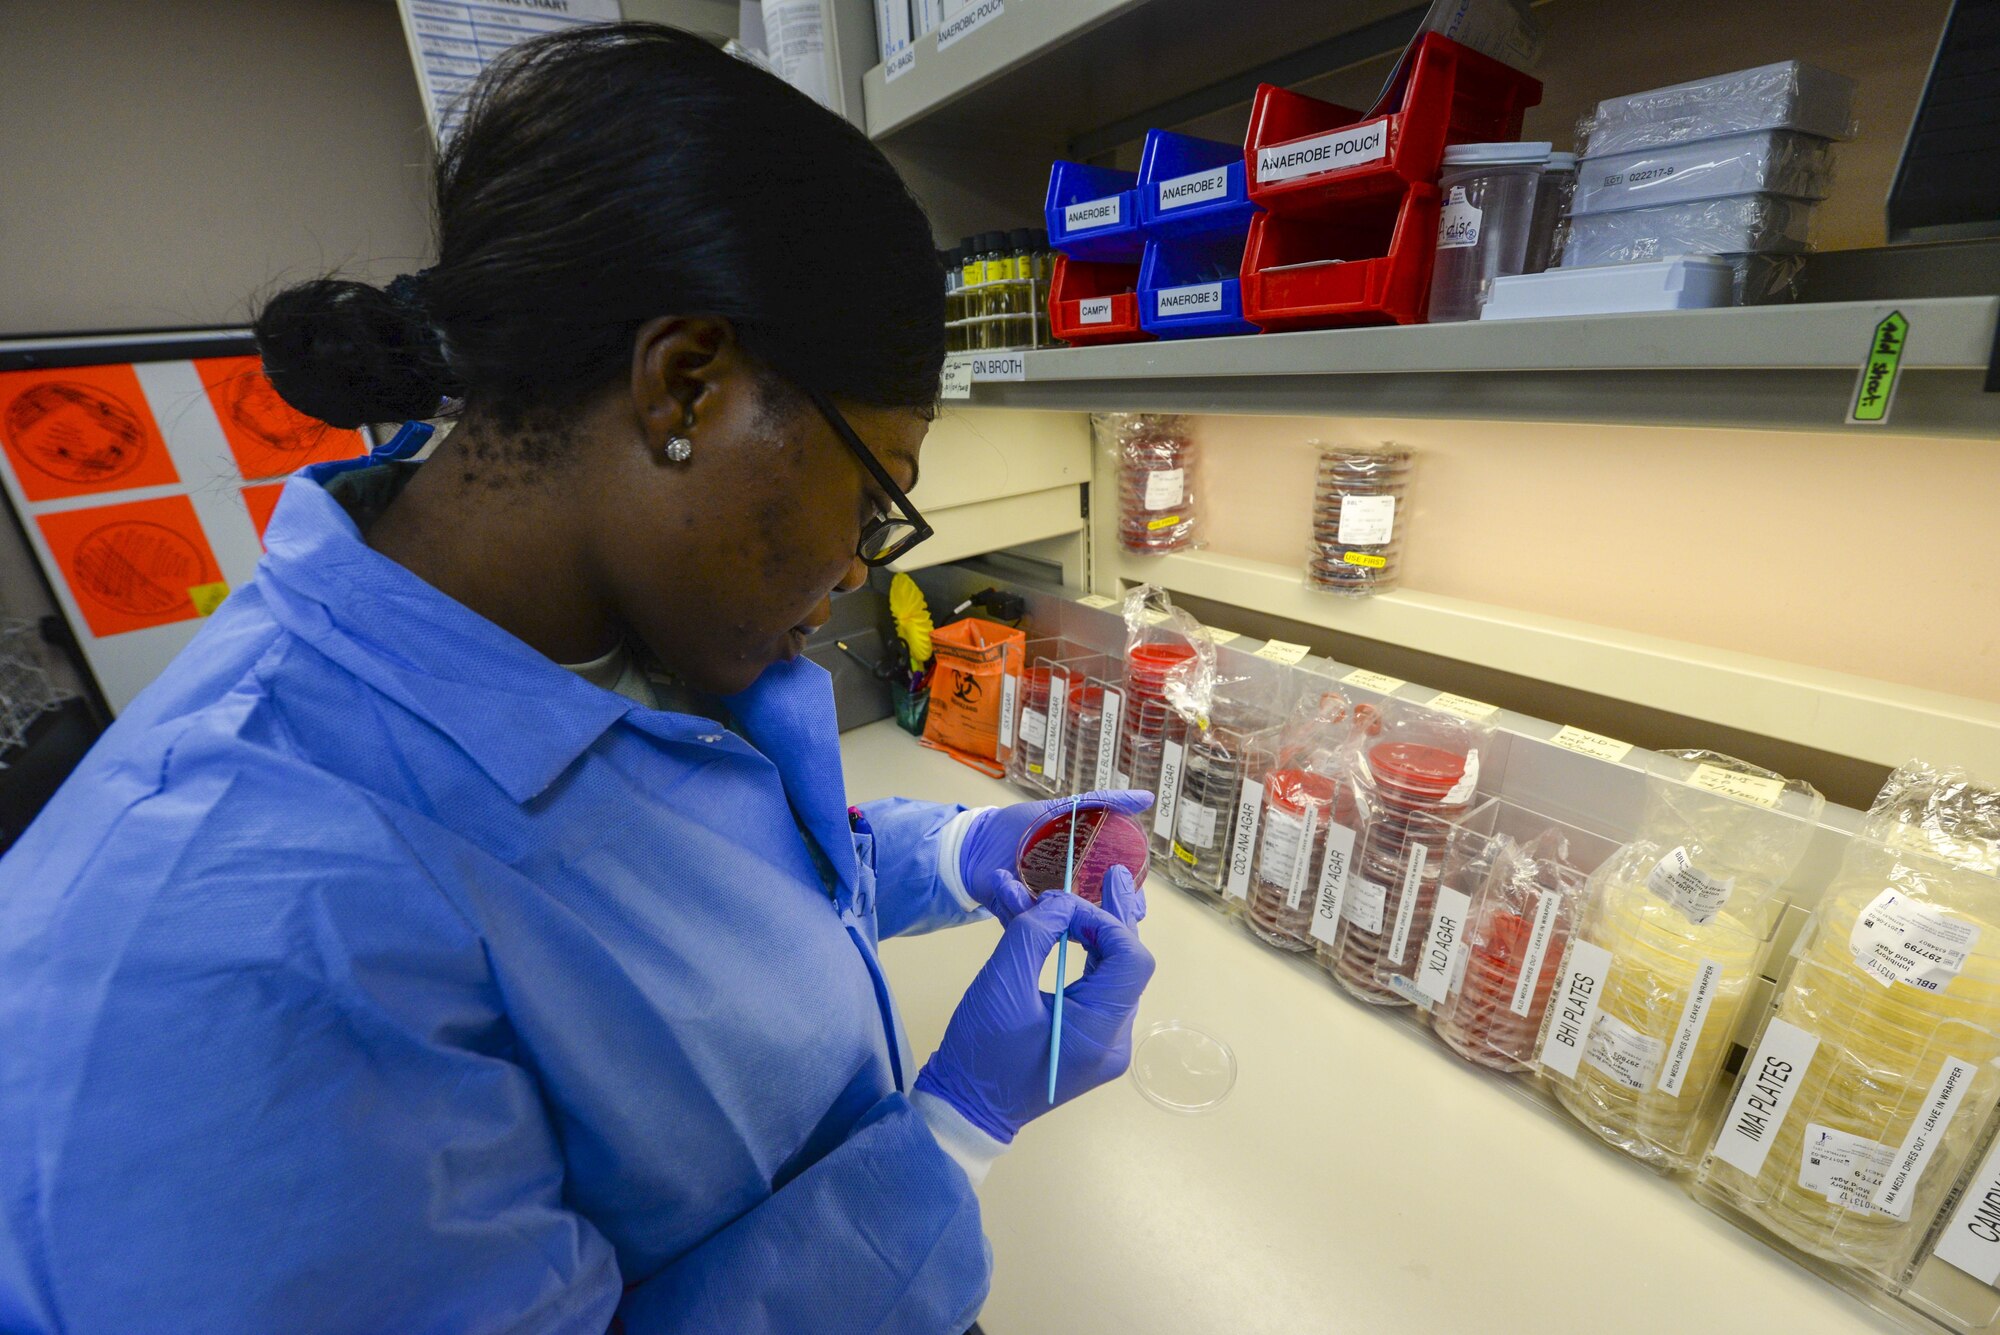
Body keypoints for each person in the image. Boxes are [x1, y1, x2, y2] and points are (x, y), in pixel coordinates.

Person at [0, 24, 1156, 1334]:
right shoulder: (231, 950)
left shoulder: (578, 634)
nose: (855, 566)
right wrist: (952, 1135)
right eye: (877, 489)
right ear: (686, 386)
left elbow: (664, 900)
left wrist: (953, 856)